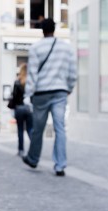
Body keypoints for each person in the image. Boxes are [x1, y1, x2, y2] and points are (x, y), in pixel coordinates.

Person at [22, 18, 77, 177]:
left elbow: (32, 75)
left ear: (42, 30)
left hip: (41, 93)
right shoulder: (66, 48)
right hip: (60, 91)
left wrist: (28, 95)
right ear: (54, 29)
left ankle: (33, 158)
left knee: (38, 128)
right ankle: (60, 165)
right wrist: (69, 88)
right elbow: (72, 72)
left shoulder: (36, 48)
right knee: (60, 128)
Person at [12, 63, 33, 157]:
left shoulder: (17, 82)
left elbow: (14, 97)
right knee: (30, 129)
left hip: (19, 108)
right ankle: (34, 149)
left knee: (20, 130)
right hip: (29, 108)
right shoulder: (31, 82)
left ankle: (21, 150)